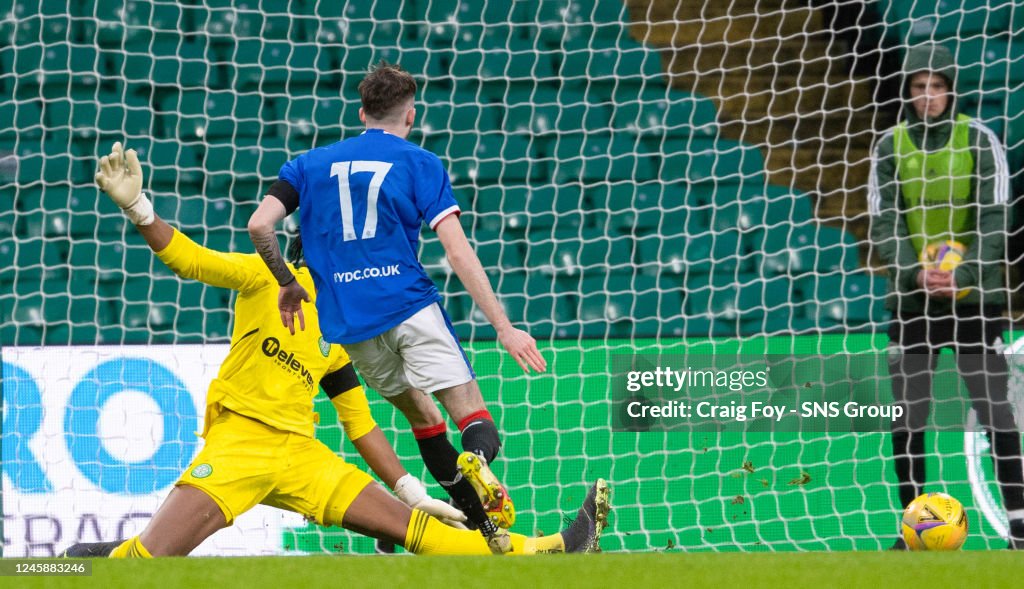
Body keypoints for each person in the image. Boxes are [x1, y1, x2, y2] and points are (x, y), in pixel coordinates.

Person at [62, 143, 607, 558]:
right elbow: (192, 260)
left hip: (301, 458)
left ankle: (551, 547)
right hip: (240, 445)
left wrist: (411, 491)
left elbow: (361, 424)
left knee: (417, 530)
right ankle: (70, 568)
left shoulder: (344, 328)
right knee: (144, 563)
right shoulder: (266, 278)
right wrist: (138, 208)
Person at [247, 62, 546, 552]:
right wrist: (505, 327)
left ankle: (485, 534)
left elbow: (260, 226)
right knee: (470, 415)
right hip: (409, 306)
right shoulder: (419, 162)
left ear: (363, 112)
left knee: (423, 421)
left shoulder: (306, 165)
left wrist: (286, 282)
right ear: (410, 116)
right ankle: (480, 462)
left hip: (352, 325)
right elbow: (456, 251)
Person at [868, 43, 1024, 549]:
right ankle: (913, 526)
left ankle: (1020, 524)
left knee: (995, 412)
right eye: (918, 87)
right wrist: (916, 273)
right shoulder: (889, 146)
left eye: (936, 86)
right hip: (914, 303)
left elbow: (997, 213)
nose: (928, 96)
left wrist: (965, 272)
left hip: (975, 300)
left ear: (950, 90)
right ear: (907, 92)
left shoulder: (979, 140)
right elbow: (883, 219)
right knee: (908, 415)